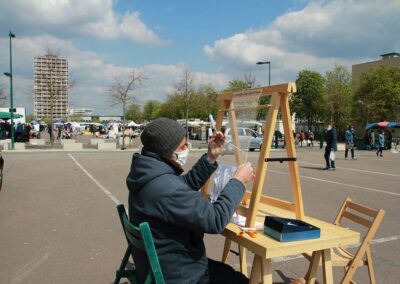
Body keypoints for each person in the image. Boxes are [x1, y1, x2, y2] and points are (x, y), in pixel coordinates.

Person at [127, 117, 254, 284]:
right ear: (165, 151)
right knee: (239, 280)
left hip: (162, 266)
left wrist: (210, 158)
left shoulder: (148, 175)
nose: (187, 148)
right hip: (180, 275)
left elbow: (183, 185)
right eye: (182, 146)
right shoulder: (167, 188)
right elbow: (215, 220)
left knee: (227, 272)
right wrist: (238, 182)